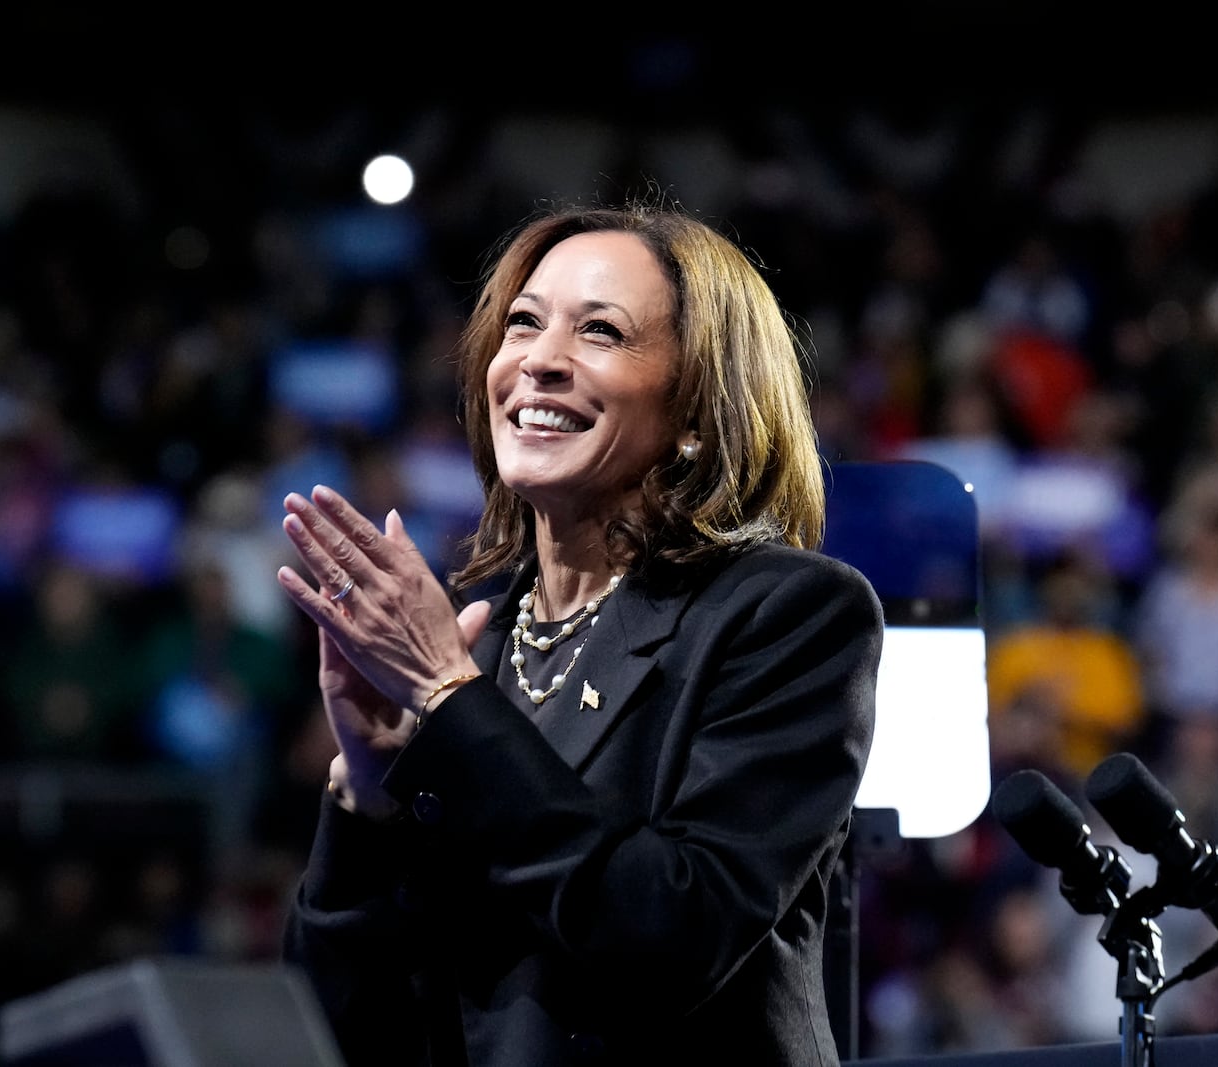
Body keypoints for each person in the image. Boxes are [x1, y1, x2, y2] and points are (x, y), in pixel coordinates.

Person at [273, 202, 883, 1065]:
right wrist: (368, 794)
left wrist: (451, 703)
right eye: (523, 323)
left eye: (600, 332)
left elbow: (670, 935)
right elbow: (337, 1029)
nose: (539, 361)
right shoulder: (477, 645)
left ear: (699, 407)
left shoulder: (787, 616)